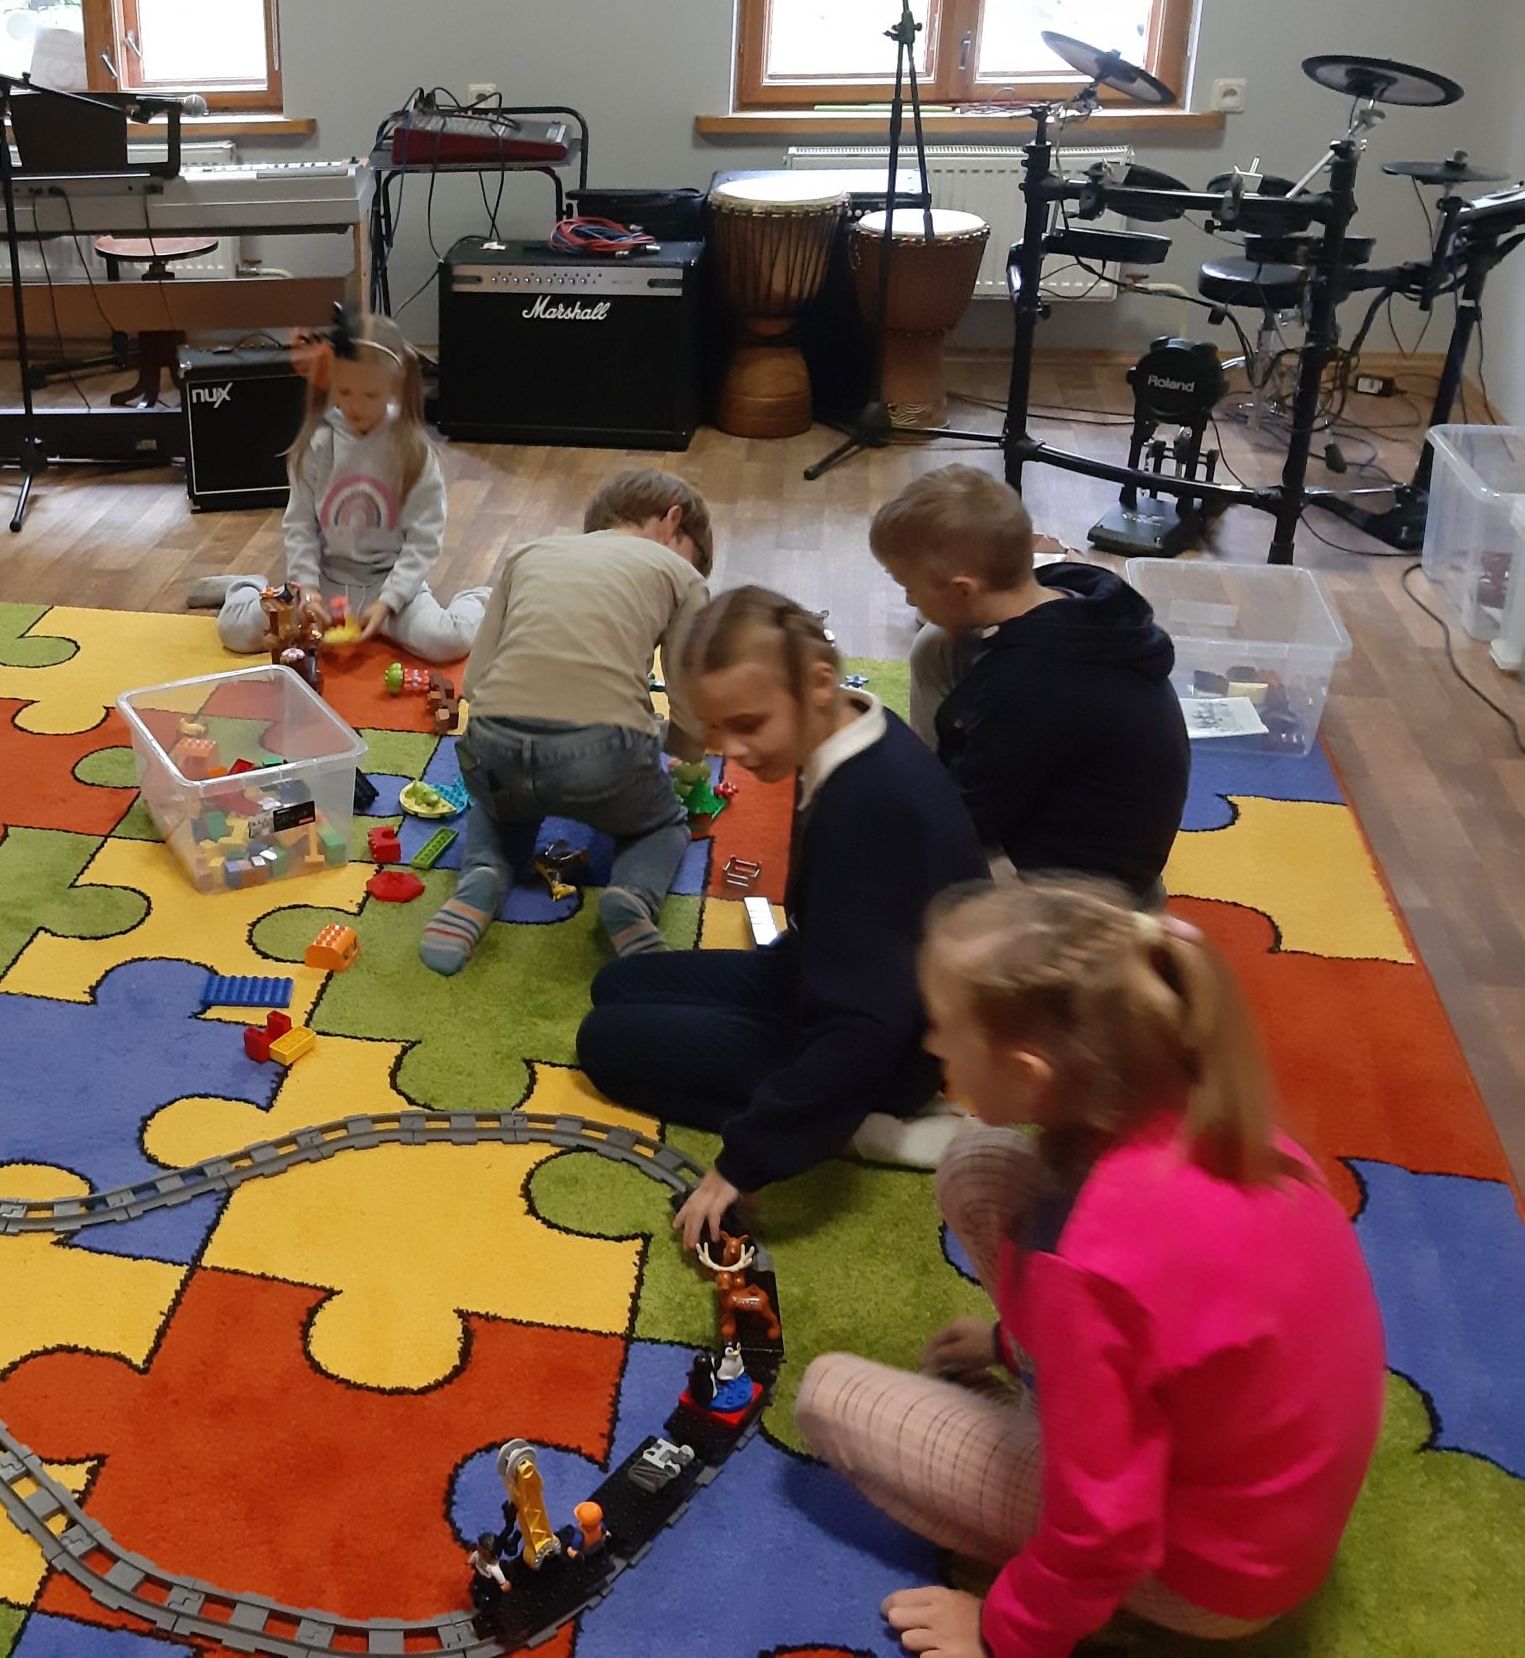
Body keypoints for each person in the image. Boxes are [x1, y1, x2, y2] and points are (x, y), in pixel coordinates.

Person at [796, 876, 1385, 1658]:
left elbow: (1106, 1529)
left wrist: (1003, 1631)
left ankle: (1103, 1590)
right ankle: (1055, 1403)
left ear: (1030, 1075)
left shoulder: (1093, 1258)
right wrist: (1017, 1347)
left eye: (947, 1030)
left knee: (830, 1396)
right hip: (1259, 1510)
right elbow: (1179, 1335)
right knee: (976, 1162)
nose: (933, 1046)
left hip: (1198, 1572)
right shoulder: (1206, 1118)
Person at [578, 586, 987, 1235]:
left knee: (603, 1045)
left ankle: (860, 1128)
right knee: (617, 986)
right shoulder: (854, 728)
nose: (731, 749)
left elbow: (865, 1027)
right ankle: (827, 1110)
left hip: (883, 1053)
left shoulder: (869, 808)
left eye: (747, 725)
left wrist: (745, 1161)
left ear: (819, 683)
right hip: (822, 972)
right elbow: (845, 936)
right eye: (718, 727)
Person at [415, 468, 716, 974]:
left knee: (496, 808)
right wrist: (688, 746)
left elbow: (477, 679)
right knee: (662, 824)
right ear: (671, 522)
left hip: (494, 742)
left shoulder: (528, 554)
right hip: (603, 758)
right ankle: (631, 896)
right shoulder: (681, 575)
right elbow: (688, 686)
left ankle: (484, 873)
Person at [870, 465, 1188, 901]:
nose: (909, 600)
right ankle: (930, 781)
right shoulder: (1066, 594)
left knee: (891, 872)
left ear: (963, 591)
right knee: (936, 643)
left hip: (1088, 890)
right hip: (1080, 820)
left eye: (909, 587)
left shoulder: (1029, 684)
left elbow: (970, 821)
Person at [188, 313, 484, 663]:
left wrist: (389, 602)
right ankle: (247, 587)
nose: (356, 405)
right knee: (235, 632)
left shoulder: (413, 452)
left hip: (388, 586)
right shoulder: (317, 444)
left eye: (370, 394)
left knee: (447, 641)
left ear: (393, 387)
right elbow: (300, 526)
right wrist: (307, 591)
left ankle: (484, 599)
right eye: (345, 392)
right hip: (324, 581)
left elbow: (423, 540)